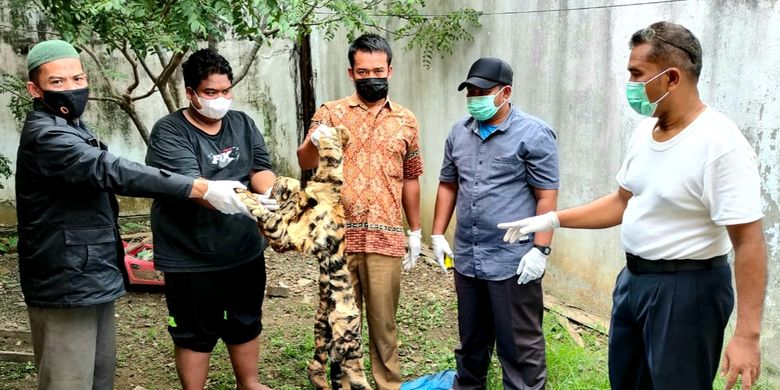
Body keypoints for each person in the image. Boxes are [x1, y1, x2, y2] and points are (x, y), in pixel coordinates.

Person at [498, 21, 767, 390]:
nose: (630, 84)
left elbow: (749, 241)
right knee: (627, 381)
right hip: (634, 282)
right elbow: (622, 201)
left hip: (687, 290)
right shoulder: (645, 131)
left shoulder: (719, 144)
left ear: (671, 78)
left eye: (636, 74)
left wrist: (748, 336)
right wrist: (551, 218)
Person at [15, 39, 250, 390]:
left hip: (91, 272)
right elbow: (112, 170)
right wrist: (200, 187)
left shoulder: (71, 126)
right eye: (57, 82)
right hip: (64, 278)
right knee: (68, 379)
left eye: (78, 79)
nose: (72, 89)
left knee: (99, 375)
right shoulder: (48, 136)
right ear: (35, 89)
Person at [144, 48, 277, 390]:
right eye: (210, 93)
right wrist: (245, 202)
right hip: (192, 253)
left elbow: (260, 167)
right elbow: (195, 189)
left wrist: (271, 194)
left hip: (243, 248)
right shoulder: (170, 132)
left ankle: (249, 383)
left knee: (245, 320)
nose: (221, 99)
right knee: (193, 331)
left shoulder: (242, 123)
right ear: (191, 93)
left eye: (226, 91)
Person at [296, 33, 423, 390]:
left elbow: (412, 177)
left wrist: (415, 231)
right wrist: (314, 141)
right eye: (363, 71)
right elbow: (305, 160)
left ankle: (387, 384)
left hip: (385, 236)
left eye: (378, 70)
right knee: (338, 318)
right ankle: (335, 381)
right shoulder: (330, 113)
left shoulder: (406, 120)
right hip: (338, 237)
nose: (371, 77)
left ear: (390, 70)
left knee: (384, 323)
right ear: (351, 73)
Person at [429, 57, 559, 390]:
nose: (475, 97)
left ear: (505, 93)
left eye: (482, 91)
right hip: (468, 260)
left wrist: (540, 249)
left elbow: (546, 196)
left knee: (519, 349)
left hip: (511, 262)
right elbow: (448, 183)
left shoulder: (534, 133)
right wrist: (437, 233)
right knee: (472, 344)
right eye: (470, 91)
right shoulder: (459, 132)